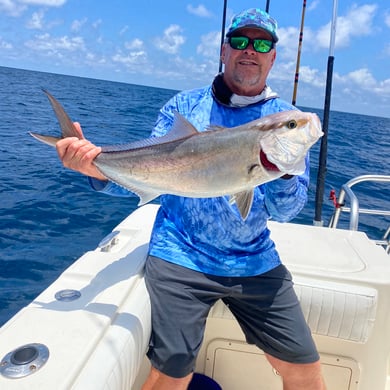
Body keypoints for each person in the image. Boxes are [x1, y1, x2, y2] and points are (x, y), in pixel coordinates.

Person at [56, 8, 326, 390]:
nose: (250, 49)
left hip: (254, 261)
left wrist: (279, 169)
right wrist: (94, 169)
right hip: (180, 256)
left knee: (306, 370)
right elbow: (149, 175)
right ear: (224, 50)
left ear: (273, 57)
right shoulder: (184, 107)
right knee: (172, 373)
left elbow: (286, 209)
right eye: (241, 41)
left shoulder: (285, 122)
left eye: (262, 43)